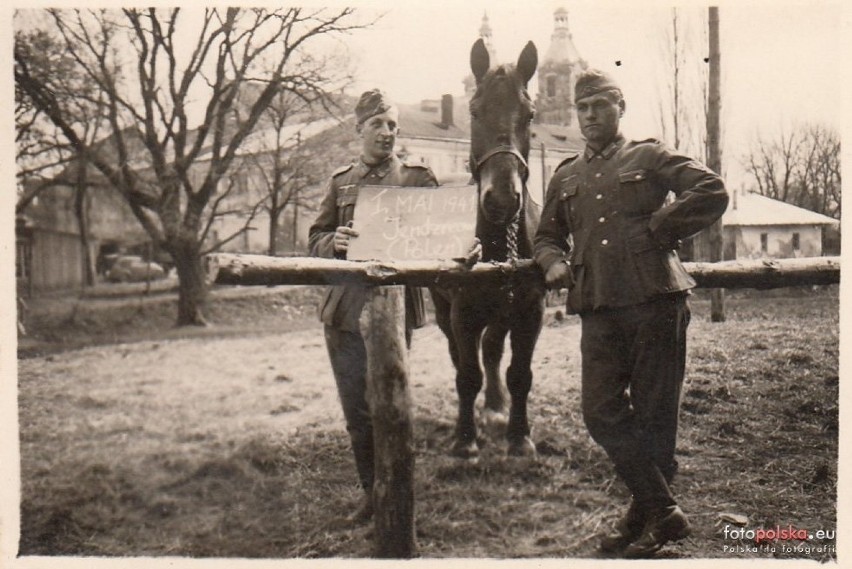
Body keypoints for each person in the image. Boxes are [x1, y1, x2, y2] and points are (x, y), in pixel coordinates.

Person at [534, 70, 729, 558]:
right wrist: (553, 261)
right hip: (598, 304)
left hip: (655, 300)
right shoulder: (565, 175)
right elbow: (545, 236)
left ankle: (645, 518)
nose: (590, 116)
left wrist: (662, 227)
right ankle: (662, 511)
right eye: (582, 108)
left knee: (655, 415)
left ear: (621, 107)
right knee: (599, 411)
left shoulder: (649, 155)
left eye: (600, 105)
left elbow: (710, 190)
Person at [308, 89, 439, 524]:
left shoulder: (418, 179)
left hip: (394, 309)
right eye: (378, 124)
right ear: (359, 129)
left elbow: (441, 235)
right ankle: (372, 493)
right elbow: (314, 239)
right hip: (344, 311)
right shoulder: (340, 182)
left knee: (390, 406)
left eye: (393, 125)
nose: (387, 132)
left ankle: (396, 492)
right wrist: (333, 242)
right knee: (356, 411)